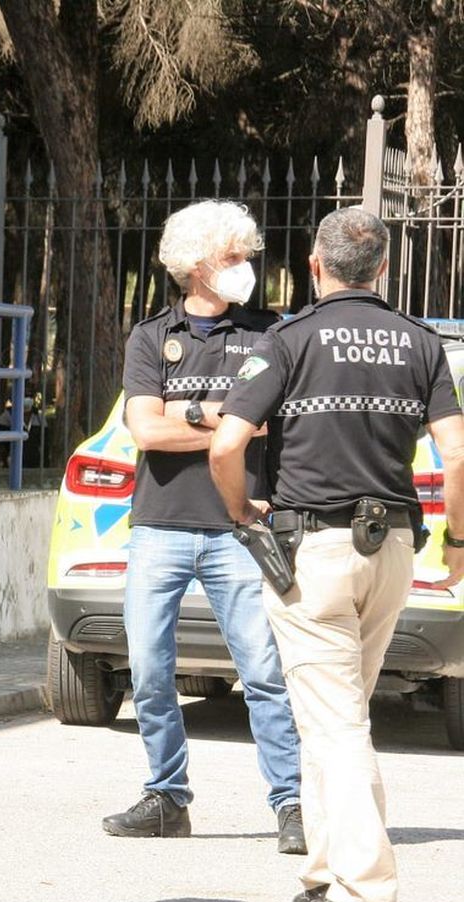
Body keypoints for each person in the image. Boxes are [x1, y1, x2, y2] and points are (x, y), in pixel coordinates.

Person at [212, 206, 464, 902]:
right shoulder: (420, 342)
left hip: (312, 552)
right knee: (337, 717)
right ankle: (325, 873)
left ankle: (366, 891)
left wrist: (243, 516)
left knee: (335, 723)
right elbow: (457, 453)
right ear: (382, 270)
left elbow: (226, 446)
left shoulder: (288, 340)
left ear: (314, 265)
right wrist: (459, 543)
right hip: (390, 551)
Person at [106, 200, 303, 853]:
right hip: (160, 524)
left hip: (241, 525)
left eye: (247, 255)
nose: (246, 267)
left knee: (264, 671)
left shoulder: (269, 333)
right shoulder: (149, 336)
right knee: (149, 667)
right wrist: (225, 417)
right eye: (232, 257)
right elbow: (143, 429)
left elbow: (269, 421)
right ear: (195, 266)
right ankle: (167, 795)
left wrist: (184, 414)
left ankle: (292, 801)